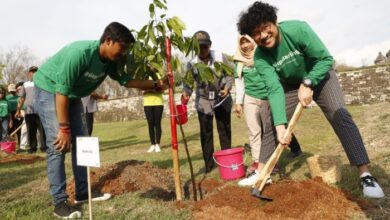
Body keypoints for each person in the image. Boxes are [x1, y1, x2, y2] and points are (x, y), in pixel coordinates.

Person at [237, 1, 384, 198]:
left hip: (320, 75)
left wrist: (308, 82)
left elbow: (325, 59)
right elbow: (273, 89)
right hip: (289, 85)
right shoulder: (261, 57)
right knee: (272, 119)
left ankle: (365, 174)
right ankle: (262, 172)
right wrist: (281, 126)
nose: (263, 35)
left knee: (338, 113)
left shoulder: (298, 29)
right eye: (257, 33)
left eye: (266, 28)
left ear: (275, 22)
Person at [31, 21, 168, 219]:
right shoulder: (79, 53)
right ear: (109, 40)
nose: (124, 53)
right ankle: (59, 203)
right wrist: (64, 128)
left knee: (82, 141)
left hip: (72, 94)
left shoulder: (111, 61)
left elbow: (126, 81)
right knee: (59, 145)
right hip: (49, 89)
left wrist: (155, 84)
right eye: (123, 48)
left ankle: (83, 192)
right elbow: (61, 92)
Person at [232, 35, 301, 180]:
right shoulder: (238, 62)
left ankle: (272, 160)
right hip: (250, 97)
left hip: (267, 97)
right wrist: (239, 102)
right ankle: (258, 162)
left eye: (247, 42)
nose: (245, 45)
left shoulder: (262, 55)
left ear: (252, 41)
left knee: (268, 130)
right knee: (253, 130)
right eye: (242, 43)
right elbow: (239, 83)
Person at [182, 30, 233, 173]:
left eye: (204, 46)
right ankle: (209, 164)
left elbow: (229, 73)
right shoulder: (192, 64)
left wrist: (227, 88)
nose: (202, 50)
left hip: (221, 98)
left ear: (210, 45)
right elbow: (188, 83)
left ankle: (227, 159)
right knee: (206, 133)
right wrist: (186, 93)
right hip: (204, 101)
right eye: (198, 47)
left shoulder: (219, 57)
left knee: (224, 129)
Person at [15, 66, 47, 154]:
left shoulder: (43, 83)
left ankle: (44, 147)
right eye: (32, 72)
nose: (34, 73)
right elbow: (21, 98)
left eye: (36, 71)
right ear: (29, 73)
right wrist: (18, 110)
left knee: (42, 130)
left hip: (41, 111)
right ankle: (32, 148)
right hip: (29, 111)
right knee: (31, 131)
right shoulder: (25, 85)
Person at [143, 83, 164, 153]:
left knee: (157, 123)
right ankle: (152, 144)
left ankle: (157, 144)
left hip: (158, 102)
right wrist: (151, 90)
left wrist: (155, 90)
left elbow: (163, 89)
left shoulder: (158, 75)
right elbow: (141, 91)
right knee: (150, 124)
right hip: (147, 103)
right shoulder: (144, 78)